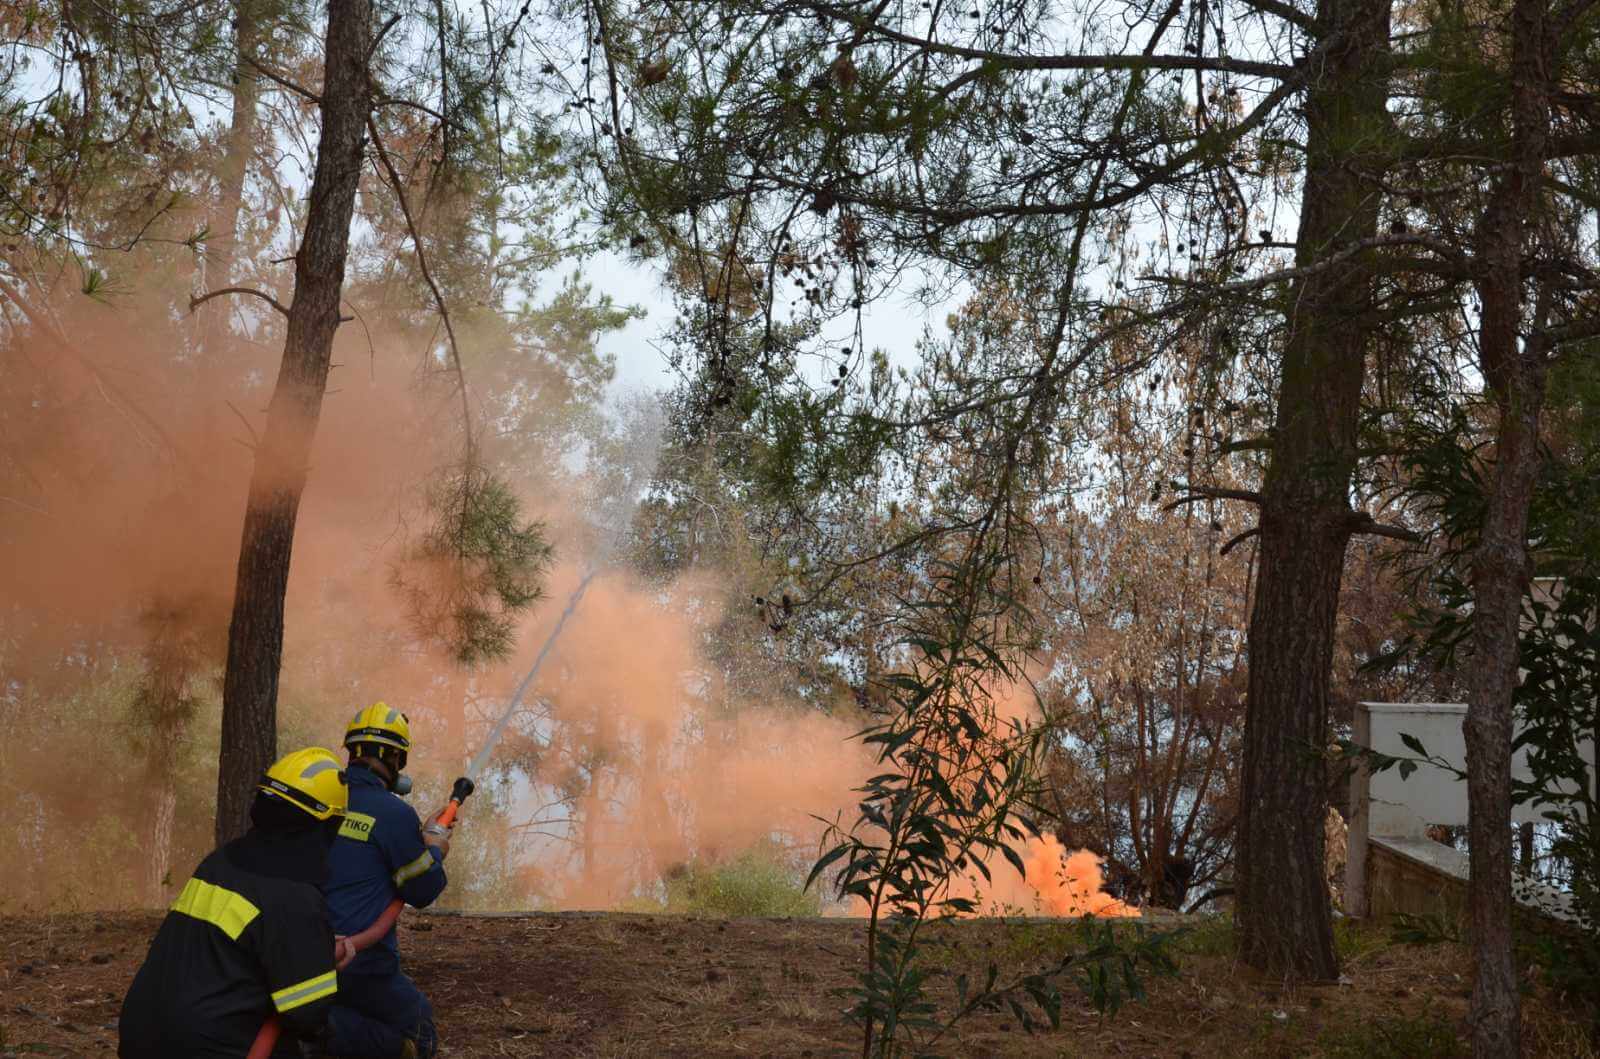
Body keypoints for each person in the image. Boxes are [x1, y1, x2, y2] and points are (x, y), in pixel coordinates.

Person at [119, 747, 348, 1059]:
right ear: (326, 826)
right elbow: (308, 1015)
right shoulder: (296, 897)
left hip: (140, 1037)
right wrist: (322, 961)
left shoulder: (220, 863)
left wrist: (311, 949)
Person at [323, 703, 451, 1059]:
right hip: (359, 965)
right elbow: (423, 889)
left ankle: (321, 1030)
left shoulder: (322, 800)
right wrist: (436, 848)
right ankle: (319, 1036)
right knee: (419, 1032)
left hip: (299, 955)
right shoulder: (394, 813)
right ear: (396, 758)